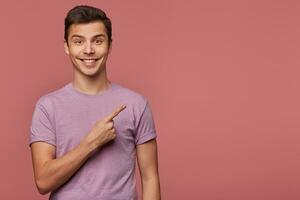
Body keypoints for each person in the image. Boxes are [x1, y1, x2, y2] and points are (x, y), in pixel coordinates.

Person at [29, 5, 161, 200]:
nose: (89, 50)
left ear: (110, 45)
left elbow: (150, 179)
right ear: (66, 46)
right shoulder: (47, 107)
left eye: (97, 41)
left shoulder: (136, 104)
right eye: (79, 41)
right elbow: (43, 181)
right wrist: (91, 143)